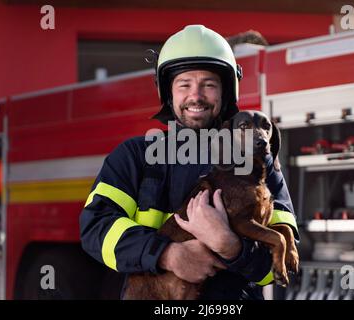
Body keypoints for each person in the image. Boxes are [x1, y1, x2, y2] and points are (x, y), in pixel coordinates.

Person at [79, 24, 299, 300]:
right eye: (185, 84)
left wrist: (231, 246)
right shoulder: (134, 156)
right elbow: (95, 228)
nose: (196, 96)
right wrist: (167, 255)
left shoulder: (258, 164)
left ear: (226, 93)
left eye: (209, 84)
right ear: (168, 93)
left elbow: (279, 263)